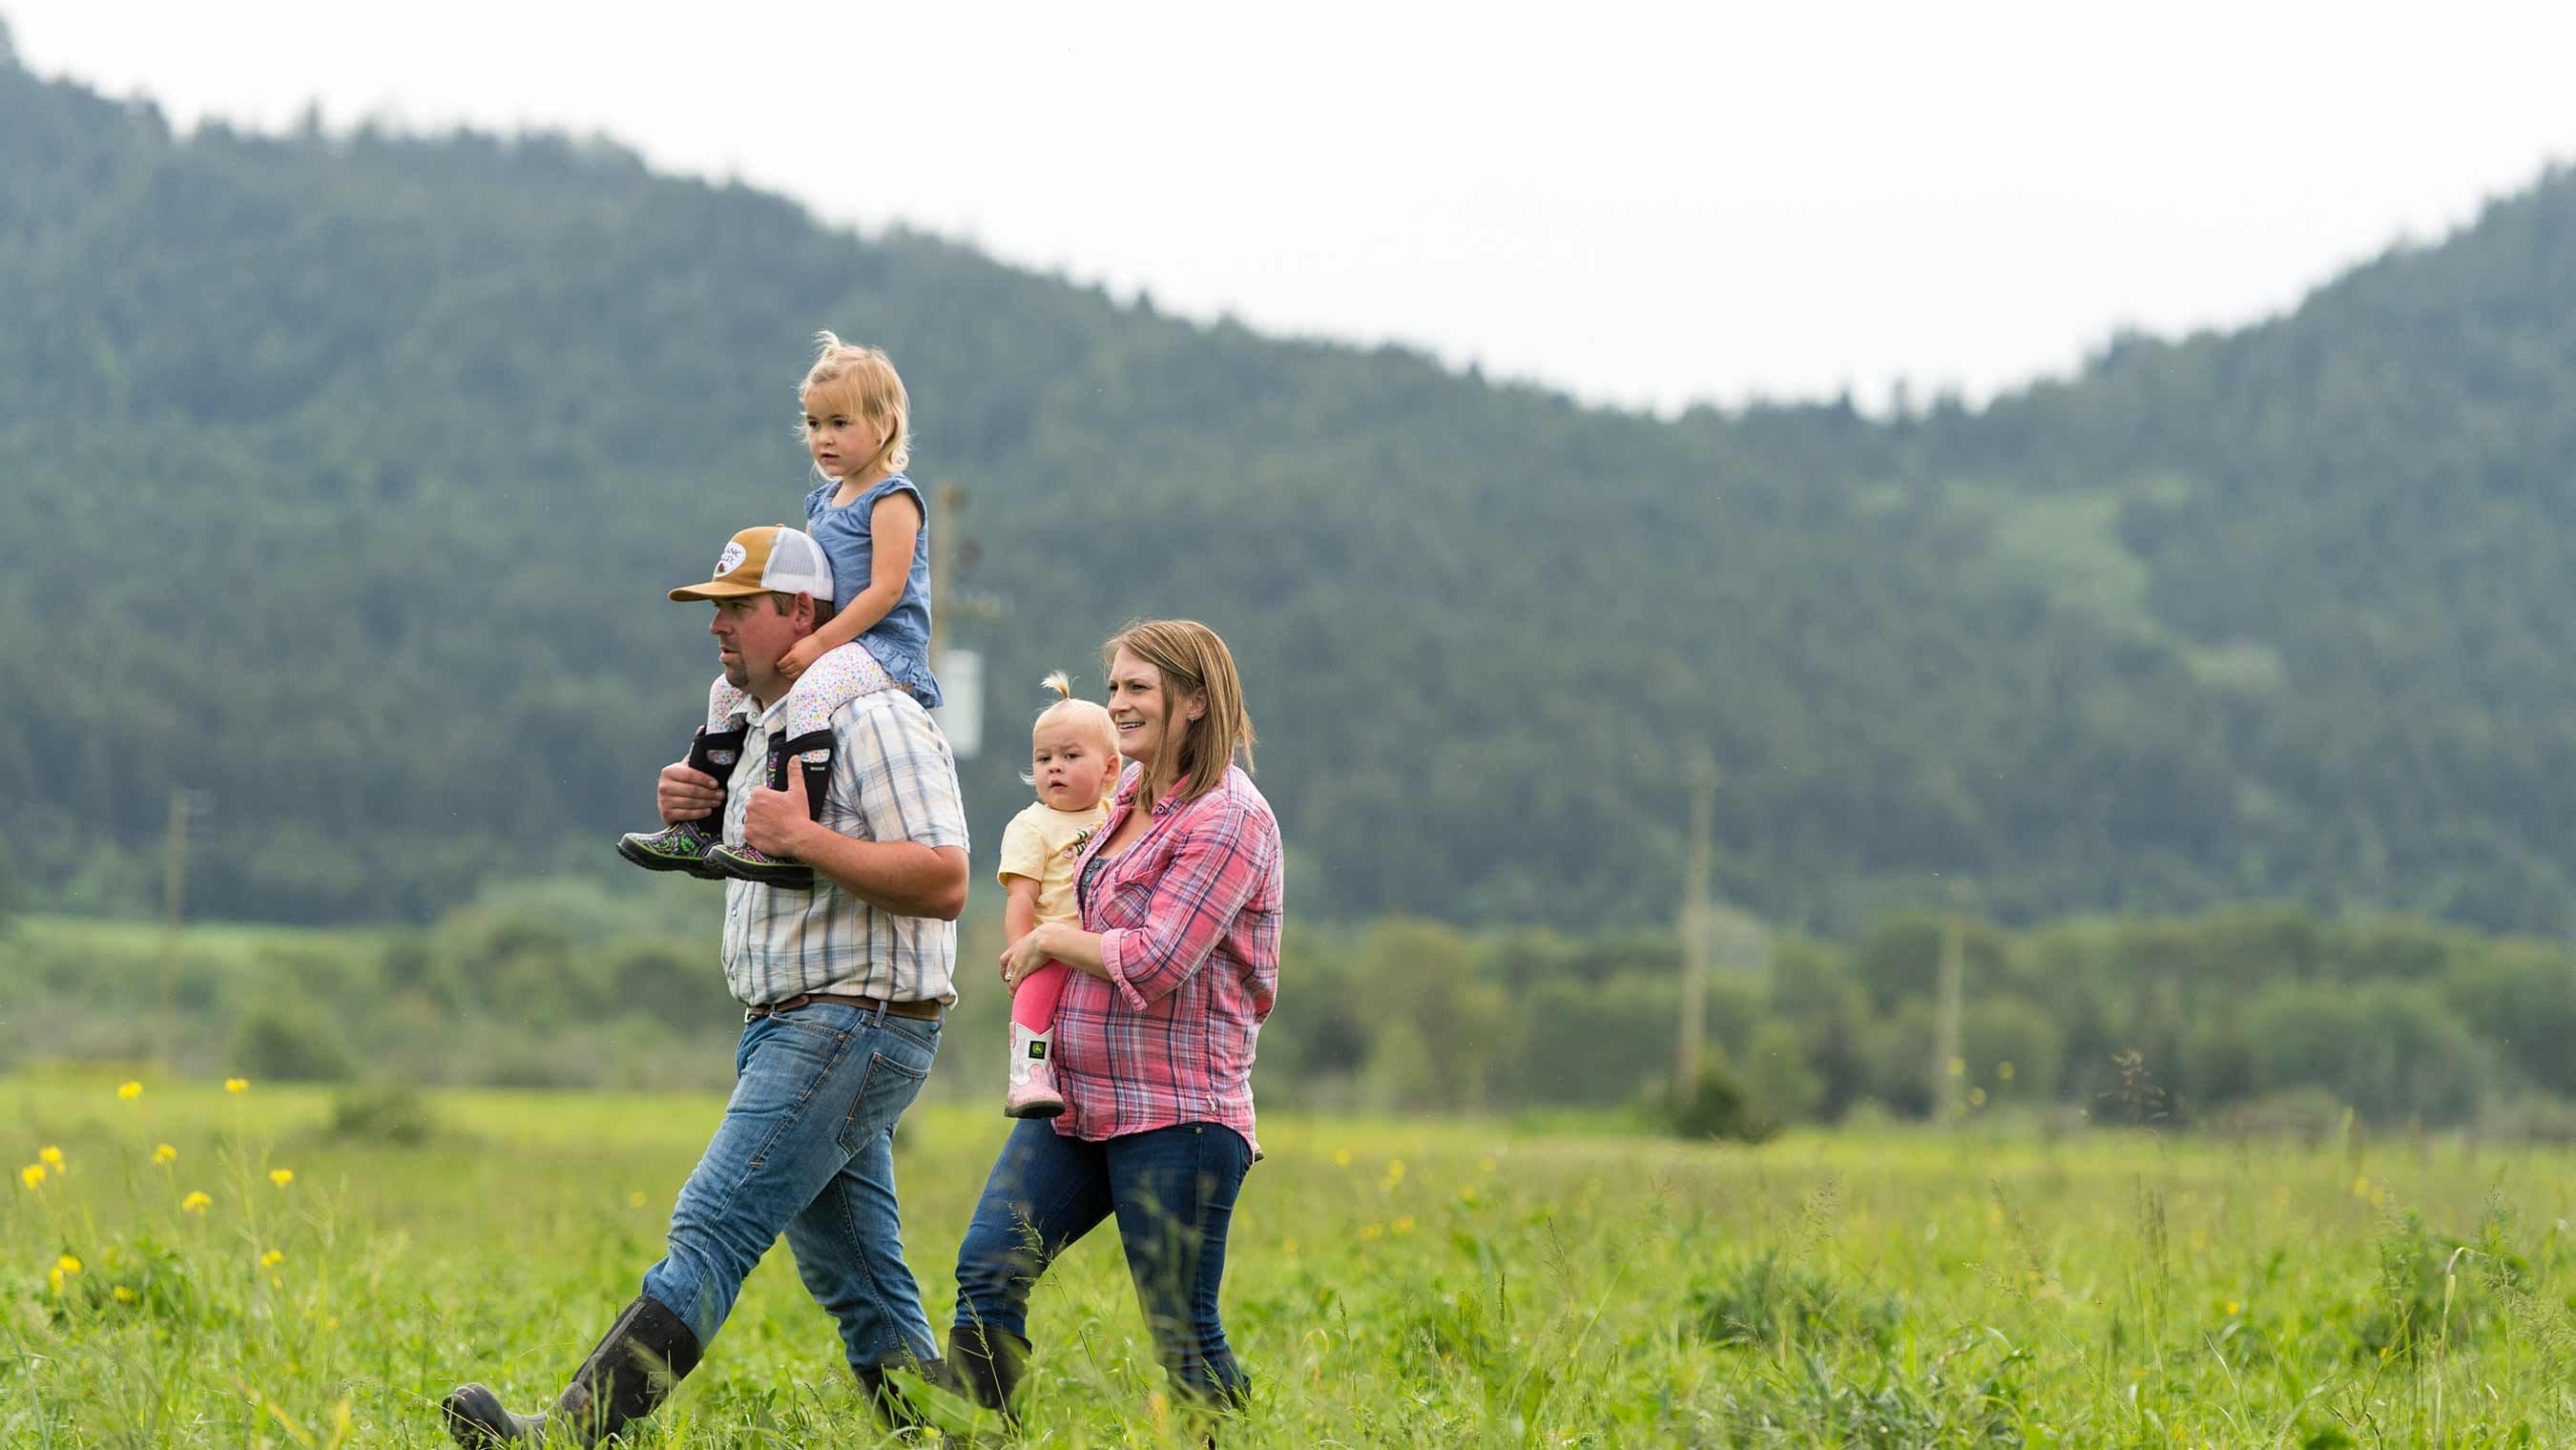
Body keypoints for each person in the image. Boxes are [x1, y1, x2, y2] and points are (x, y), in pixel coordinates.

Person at [443, 524, 970, 1447]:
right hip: (804, 1021)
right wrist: (702, 813)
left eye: (738, 607)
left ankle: (566, 1435)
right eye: (713, 608)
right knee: (862, 1283)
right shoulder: (759, 720)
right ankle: (952, 1435)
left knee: (712, 1224)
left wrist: (804, 838)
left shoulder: (871, 713)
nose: (718, 626)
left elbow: (945, 876)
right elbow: (772, 863)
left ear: (800, 610)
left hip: (851, 1017)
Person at [944, 619, 1283, 1424]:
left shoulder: (1227, 817)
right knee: (988, 1268)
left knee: (1182, 1335)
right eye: (1115, 688)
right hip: (1076, 1104)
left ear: (1194, 702)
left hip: (1177, 1113)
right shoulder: (1125, 796)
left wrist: (1054, 938)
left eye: (1138, 689)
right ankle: (976, 1440)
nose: (1118, 705)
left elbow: (1163, 958)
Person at [617, 333, 941, 888]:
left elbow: (886, 592)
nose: (823, 438)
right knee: (725, 692)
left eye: (841, 423)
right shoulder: (824, 500)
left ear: (885, 424)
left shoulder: (893, 499)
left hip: (883, 645)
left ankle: (791, 840)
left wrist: (818, 643)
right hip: (840, 640)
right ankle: (701, 828)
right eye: (814, 424)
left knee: (812, 693)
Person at [994, 672, 1122, 1118]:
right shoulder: (1032, 826)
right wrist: (1020, 952)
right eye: (1044, 757)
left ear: (1110, 770)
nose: (1054, 767)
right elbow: (1020, 899)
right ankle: (1026, 1073)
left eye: (1070, 756)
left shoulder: (1117, 813)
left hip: (1103, 944)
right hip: (1053, 944)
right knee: (1038, 995)